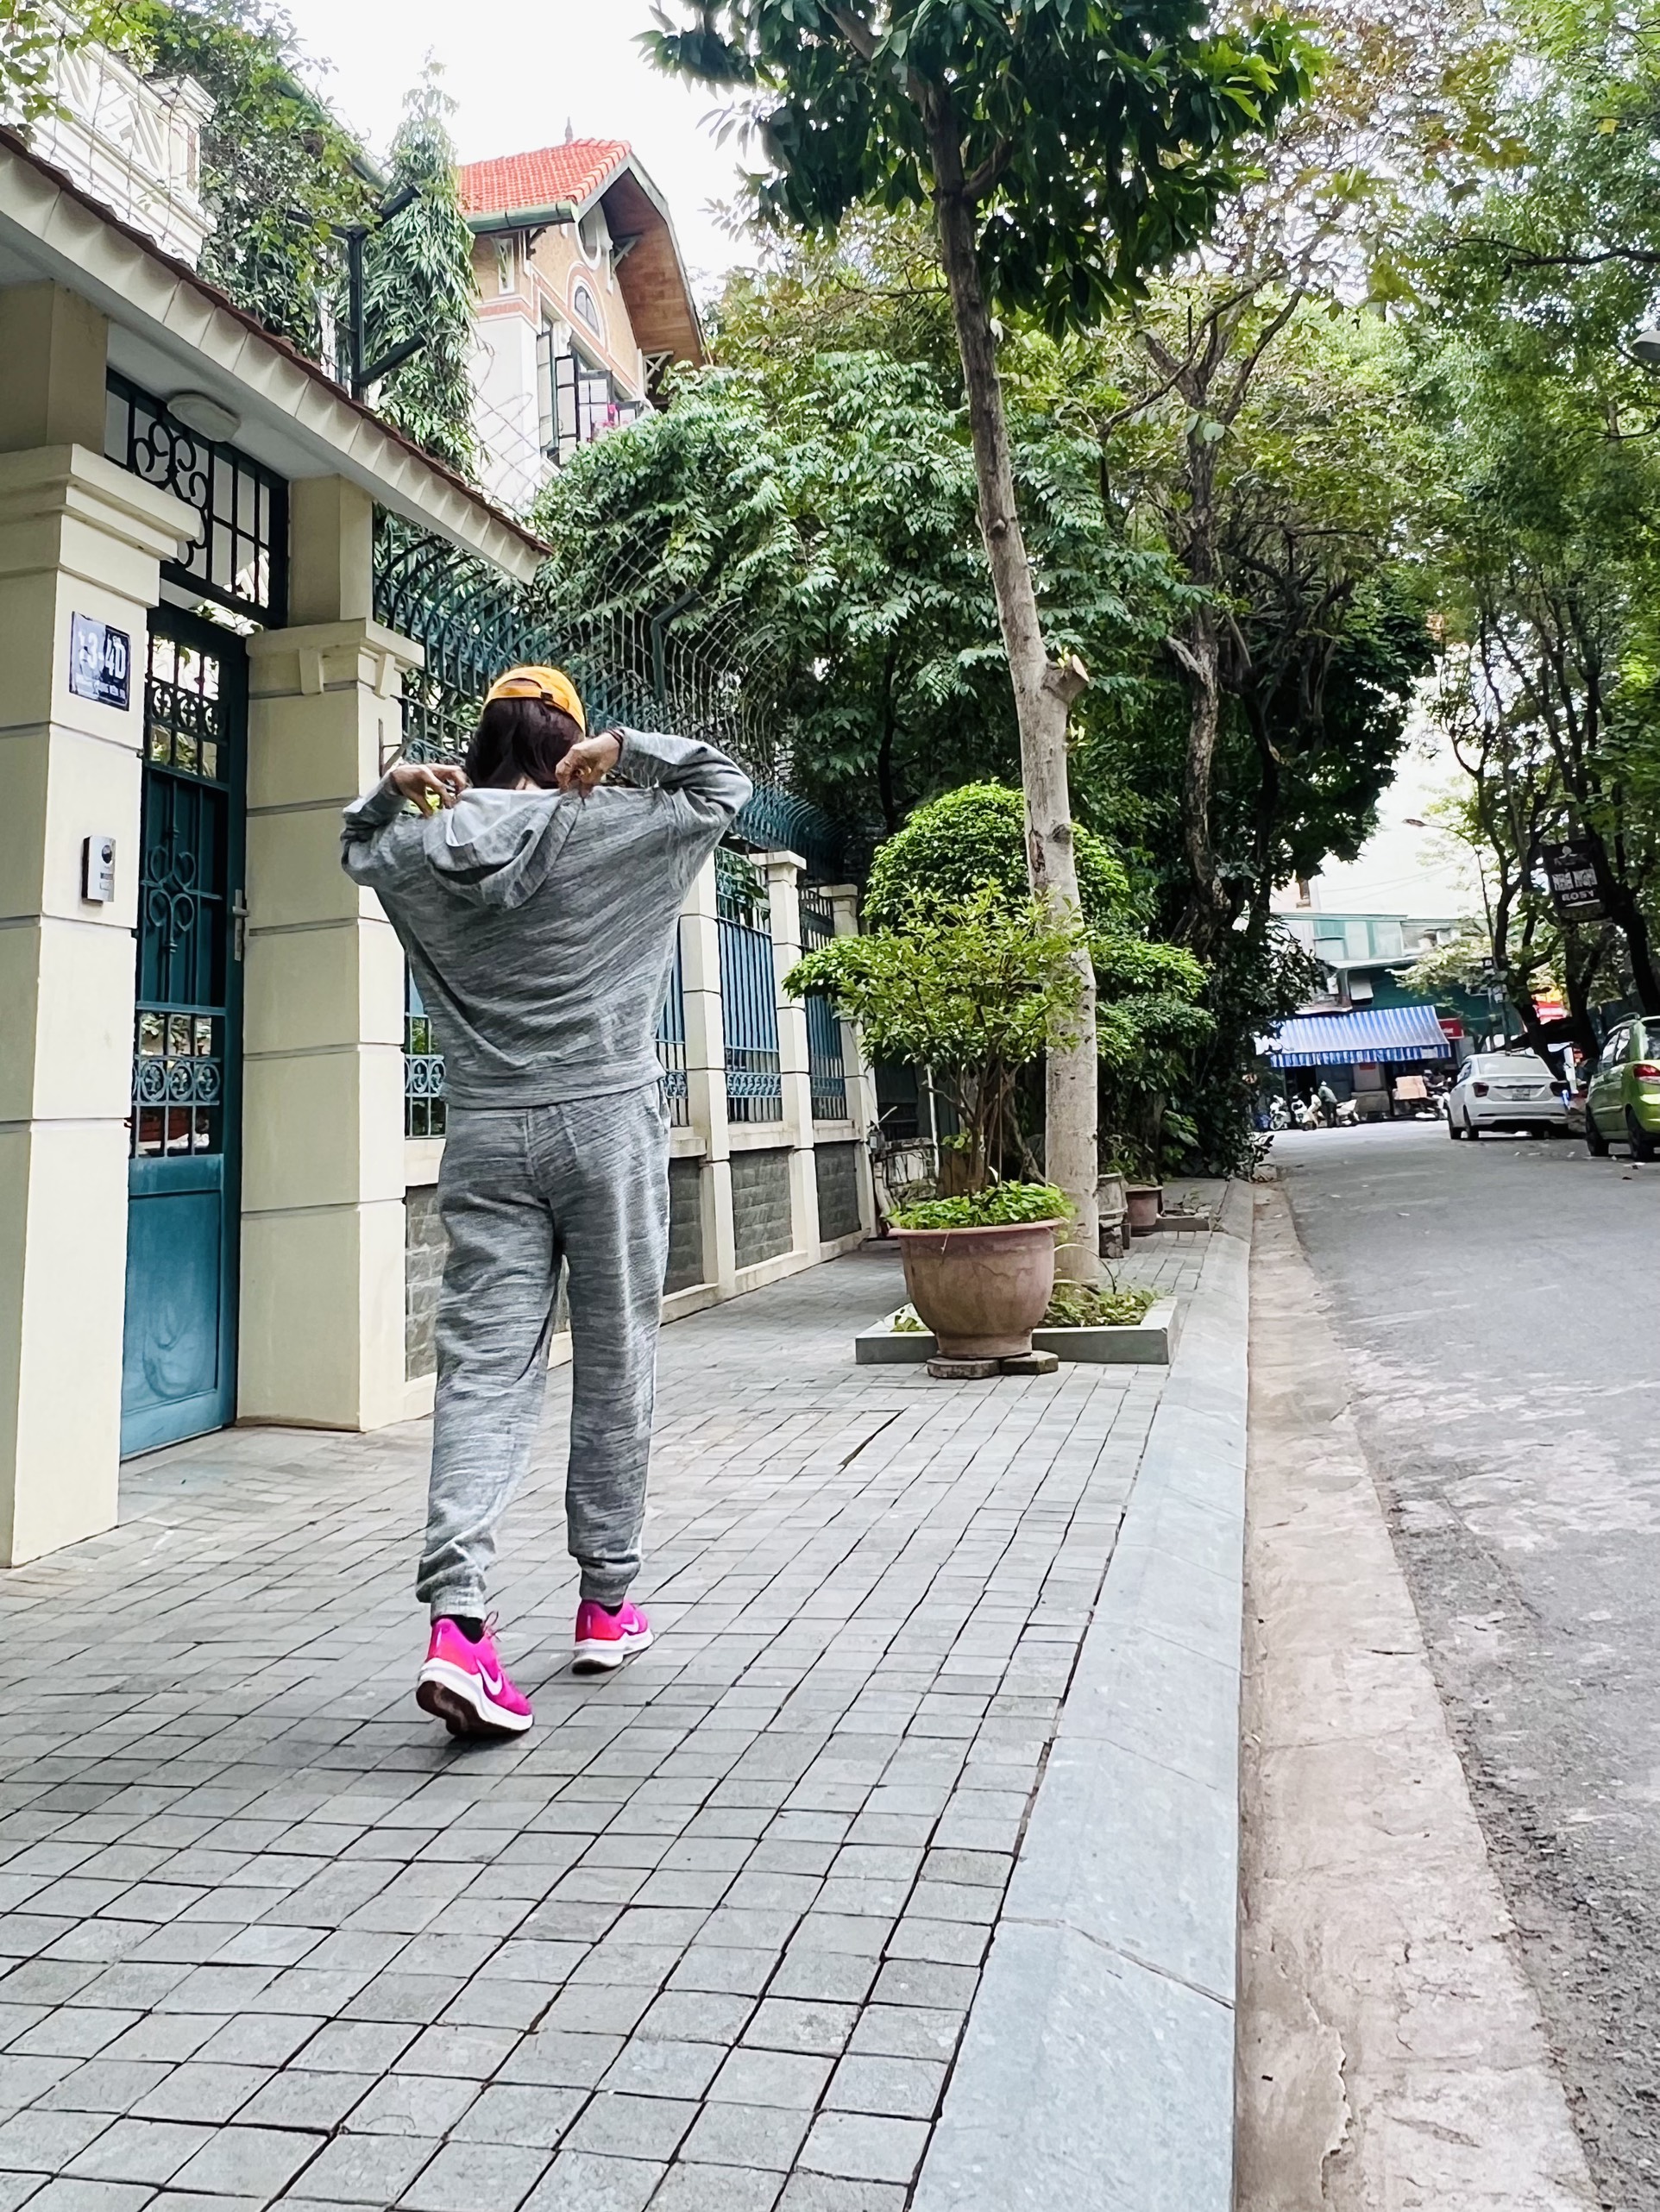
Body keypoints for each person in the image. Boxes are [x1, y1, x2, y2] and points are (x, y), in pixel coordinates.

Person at [341, 666, 751, 1738]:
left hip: (485, 1131)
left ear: (480, 746)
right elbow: (724, 785)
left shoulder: (422, 849)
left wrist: (393, 787)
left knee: (483, 1370)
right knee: (615, 1356)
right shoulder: (621, 827)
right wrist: (630, 748)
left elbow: (355, 843)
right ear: (569, 743)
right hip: (608, 1121)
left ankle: (459, 1623)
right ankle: (606, 1605)